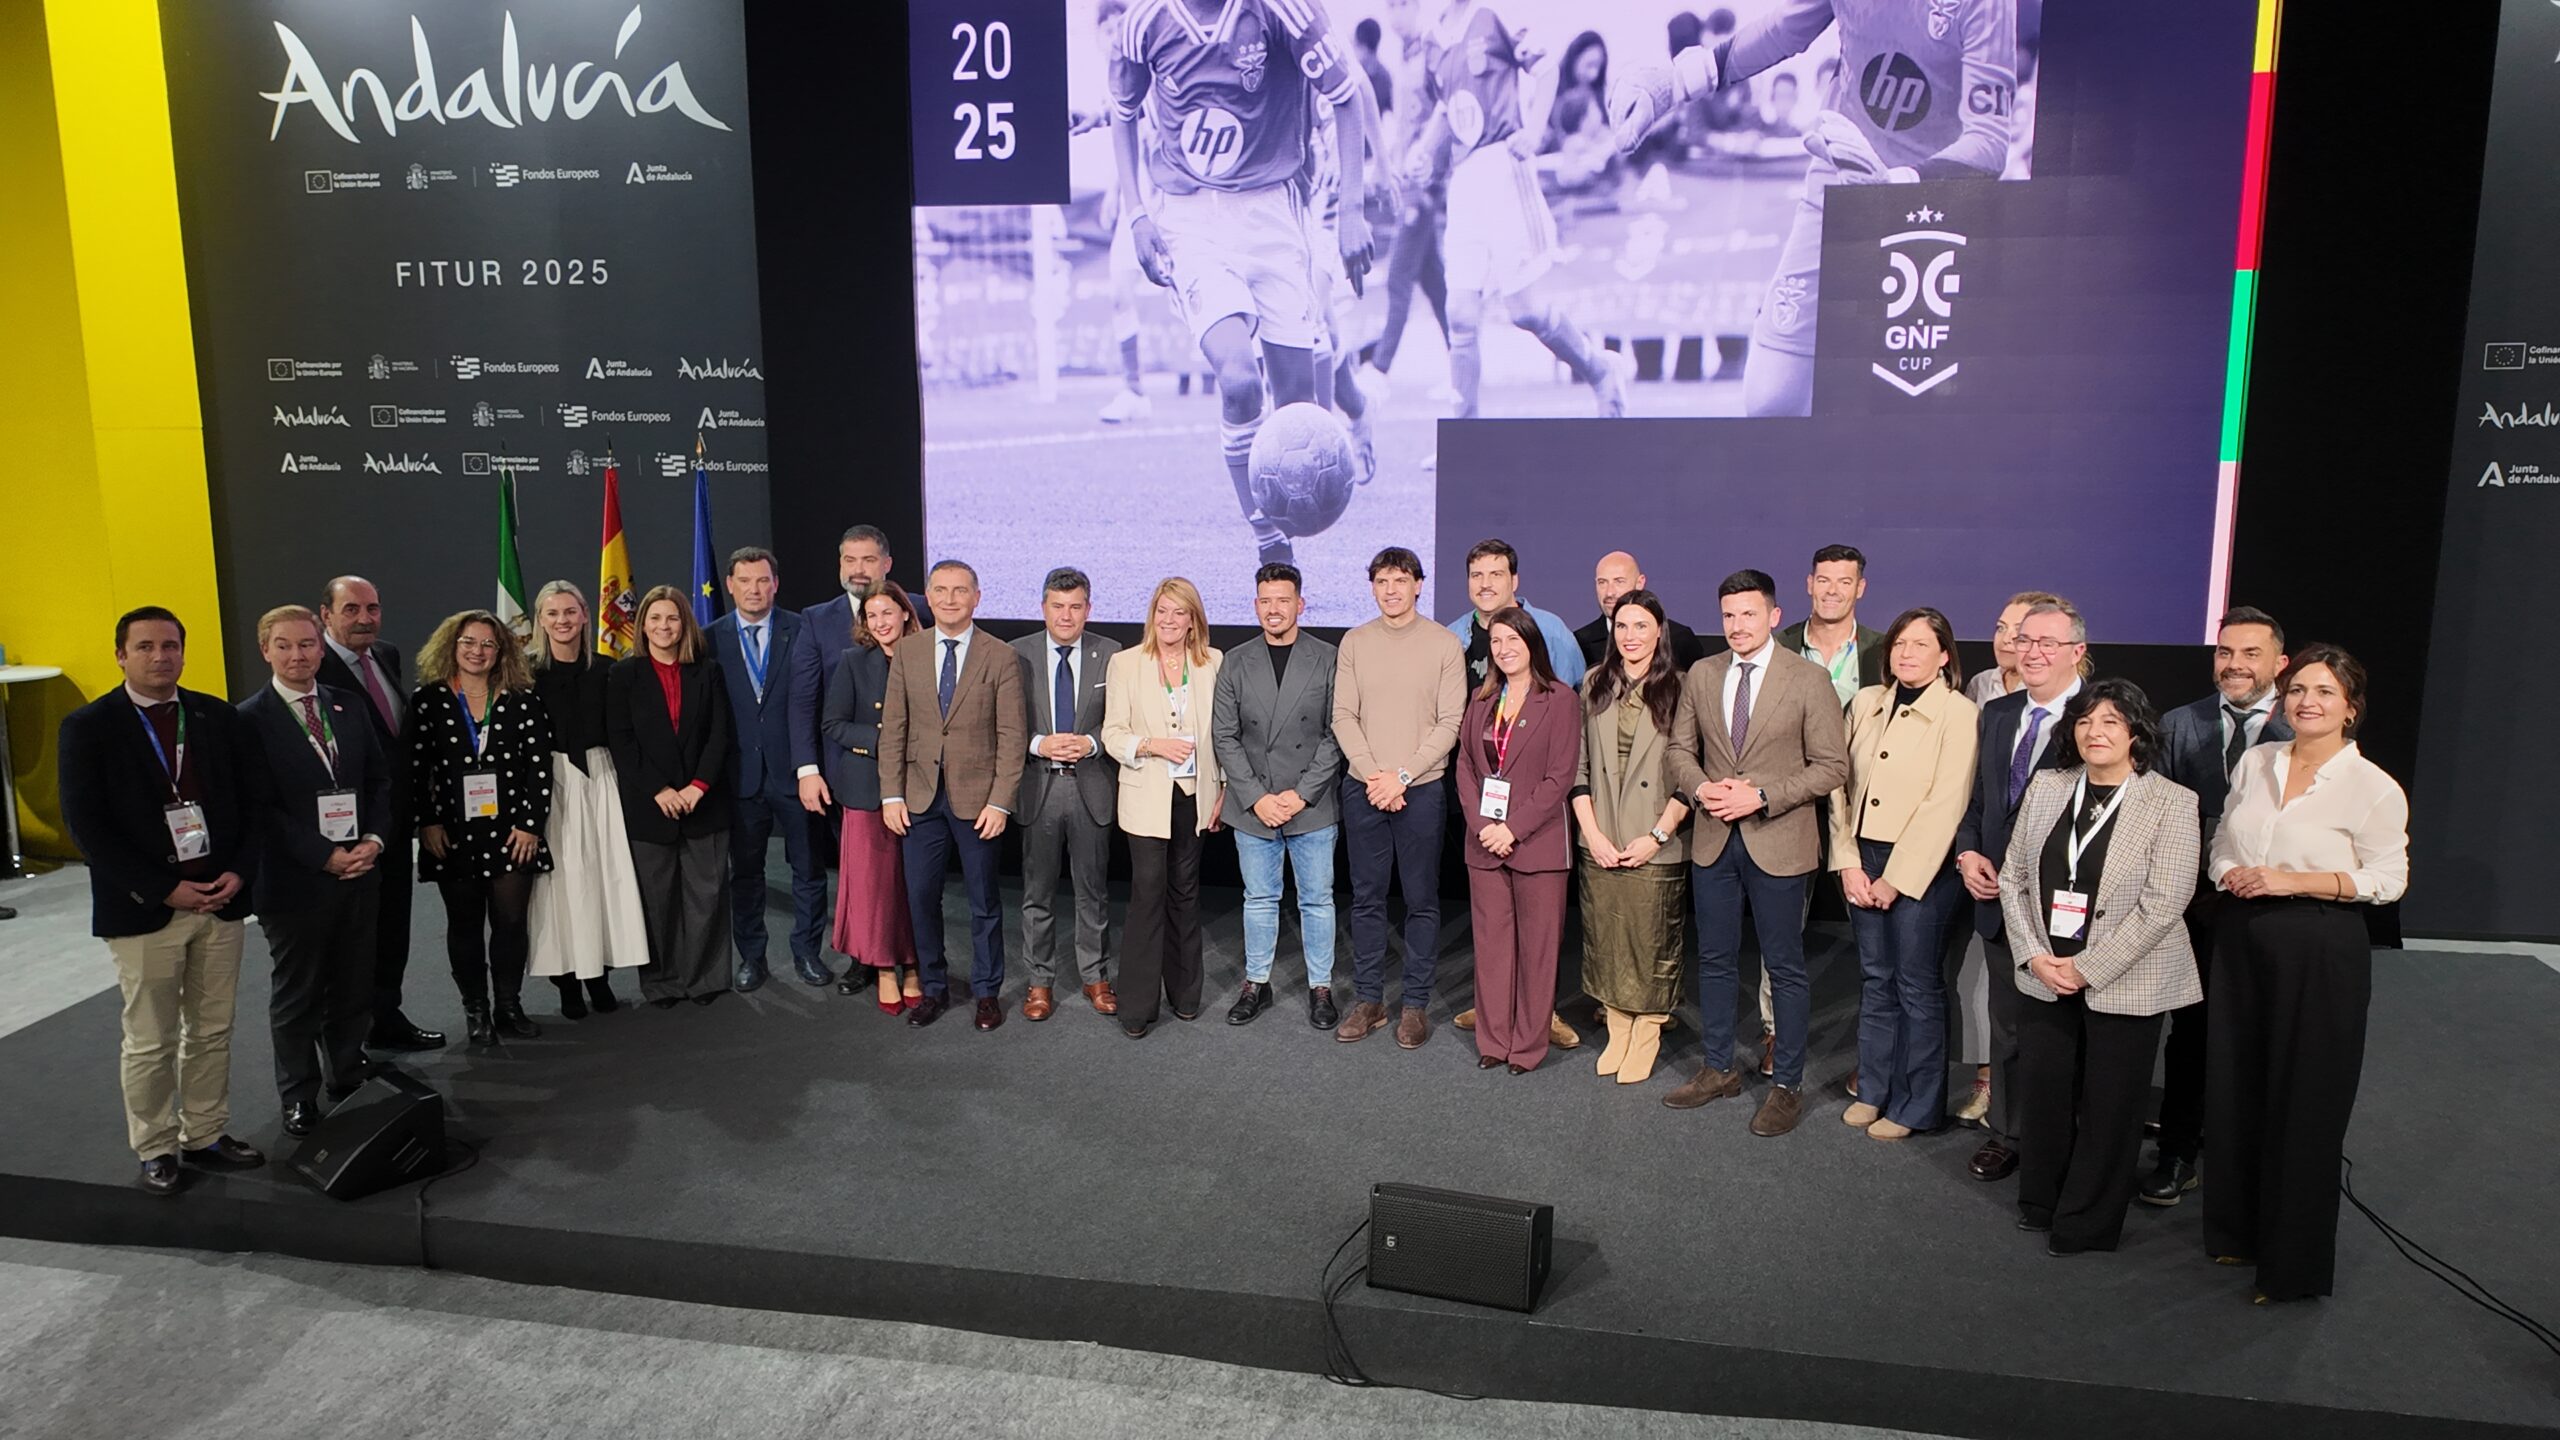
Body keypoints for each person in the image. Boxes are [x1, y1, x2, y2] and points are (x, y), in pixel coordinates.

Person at [1608, 0, 2018, 416]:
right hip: (1839, 176)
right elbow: (1786, 27)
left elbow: (1989, 143)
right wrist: (1675, 84)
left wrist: (1897, 186)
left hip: (1930, 208)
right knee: (1772, 399)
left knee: (1915, 399)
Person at [1110, 0, 1373, 568]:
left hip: (1274, 214)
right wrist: (1137, 214)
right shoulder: (1145, 22)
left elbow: (1349, 94)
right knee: (1237, 381)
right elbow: (1122, 111)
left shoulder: (1283, 11)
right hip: (1189, 219)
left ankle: (1347, 417)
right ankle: (1270, 548)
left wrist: (1354, 208)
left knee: (1297, 412)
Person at [2206, 645, 2407, 1303]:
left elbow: (2388, 880)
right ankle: (2235, 1233)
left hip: (2320, 944)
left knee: (2306, 1101)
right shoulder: (2258, 761)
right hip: (2242, 935)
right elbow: (2225, 843)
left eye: (2323, 692)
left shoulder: (2372, 786)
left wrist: (2296, 880)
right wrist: (2227, 873)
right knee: (2237, 1084)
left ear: (2350, 707)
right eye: (2297, 691)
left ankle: (2291, 1267)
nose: (2306, 702)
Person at [58, 606, 265, 1194]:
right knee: (151, 1038)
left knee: (212, 1030)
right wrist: (164, 886)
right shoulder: (88, 727)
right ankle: (155, 1145)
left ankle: (205, 1133)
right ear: (121, 654)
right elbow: (87, 827)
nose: (160, 656)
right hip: (145, 909)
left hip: (220, 900)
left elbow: (253, 806)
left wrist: (238, 873)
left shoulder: (217, 718)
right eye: (145, 646)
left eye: (170, 645)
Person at [2001, 680, 2201, 1254]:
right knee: (2045, 1092)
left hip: (2125, 974)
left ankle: (2086, 1222)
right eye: (2086, 721)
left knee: (2113, 1104)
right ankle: (2042, 1200)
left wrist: (2089, 967)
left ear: (2136, 734)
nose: (2096, 732)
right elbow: (2013, 876)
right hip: (2043, 966)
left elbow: (2165, 901)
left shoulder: (2171, 802)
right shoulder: (2047, 787)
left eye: (2111, 722)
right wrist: (2033, 954)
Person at [1660, 570, 1849, 1136]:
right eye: (1728, 616)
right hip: (1715, 839)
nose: (1737, 626)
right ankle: (1718, 1068)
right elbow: (1678, 750)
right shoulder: (1702, 673)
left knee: (1784, 966)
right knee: (1715, 959)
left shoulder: (1808, 678)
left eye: (1748, 614)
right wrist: (1700, 789)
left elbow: (1833, 767)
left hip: (1781, 841)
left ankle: (1787, 1084)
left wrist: (1762, 796)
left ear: (1773, 615)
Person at [1408, 0, 1632, 431]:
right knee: (1459, 312)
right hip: (1464, 178)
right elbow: (1445, 106)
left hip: (1505, 168)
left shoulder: (1495, 15)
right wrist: (1425, 150)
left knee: (1524, 311)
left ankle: (1600, 371)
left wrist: (1532, 131)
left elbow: (1546, 69)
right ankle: (1465, 434)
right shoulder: (1432, 36)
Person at [2142, 606, 2290, 1207]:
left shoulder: (2305, 726)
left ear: (2280, 663)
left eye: (2251, 654)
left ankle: (2253, 1153)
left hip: (2275, 909)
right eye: (2226, 652)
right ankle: (2178, 1150)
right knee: (2192, 1031)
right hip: (2196, 907)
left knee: (2265, 1031)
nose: (2235, 665)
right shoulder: (2180, 724)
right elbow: (2162, 816)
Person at [238, 605, 392, 1137]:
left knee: (353, 984)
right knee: (298, 994)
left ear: (321, 648)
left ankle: (347, 1072)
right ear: (266, 651)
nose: (298, 655)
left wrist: (373, 840)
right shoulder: (248, 720)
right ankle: (298, 1094)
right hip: (294, 882)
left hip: (359, 871)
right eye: (284, 645)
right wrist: (323, 855)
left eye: (306, 644)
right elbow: (258, 808)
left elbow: (379, 782)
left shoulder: (347, 705)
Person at [1951, 597, 2087, 1180]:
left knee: (2067, 1030)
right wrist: (1968, 851)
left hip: (2069, 909)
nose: (2032, 652)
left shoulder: (2099, 716)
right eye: (2024, 640)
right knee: (2008, 1024)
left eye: (2047, 644)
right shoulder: (2001, 712)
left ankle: (2071, 1137)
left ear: (2078, 653)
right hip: (1998, 901)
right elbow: (1979, 802)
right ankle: (2009, 1132)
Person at [1831, 608, 1978, 1140]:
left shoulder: (1960, 714)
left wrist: (1896, 877)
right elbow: (1838, 788)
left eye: (1921, 644)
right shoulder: (1867, 703)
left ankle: (1918, 1106)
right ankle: (1874, 1089)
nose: (1907, 653)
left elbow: (1947, 803)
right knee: (1876, 980)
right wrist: (1847, 861)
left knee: (1917, 984)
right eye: (1899, 644)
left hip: (1923, 866)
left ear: (1944, 656)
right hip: (1862, 856)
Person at [879, 561, 1026, 1031]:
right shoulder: (908, 651)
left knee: (984, 901)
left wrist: (1001, 801)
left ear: (976, 597)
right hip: (919, 800)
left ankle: (986, 992)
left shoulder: (999, 655)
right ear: (927, 595)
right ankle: (935, 989)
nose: (949, 599)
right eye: (940, 590)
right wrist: (891, 795)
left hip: (978, 801)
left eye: (959, 591)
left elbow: (1011, 735)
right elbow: (895, 730)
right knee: (922, 897)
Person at [1331, 546, 1467, 1047]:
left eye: (1400, 580)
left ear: (1418, 585)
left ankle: (1414, 1005)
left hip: (1422, 791)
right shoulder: (1355, 642)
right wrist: (1374, 776)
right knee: (1366, 899)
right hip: (1364, 789)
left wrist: (1403, 776)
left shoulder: (1444, 644)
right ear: (1373, 587)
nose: (1391, 590)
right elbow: (1343, 715)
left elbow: (1450, 723)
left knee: (1421, 900)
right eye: (1382, 581)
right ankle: (1369, 1001)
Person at [410, 609, 553, 1045]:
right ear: (451, 646)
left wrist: (531, 826)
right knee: (465, 925)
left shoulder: (521, 699)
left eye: (488, 644)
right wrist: (427, 823)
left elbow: (539, 769)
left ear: (501, 650)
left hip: (512, 832)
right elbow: (416, 770)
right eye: (468, 642)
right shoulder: (429, 701)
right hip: (452, 834)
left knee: (510, 924)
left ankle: (509, 1005)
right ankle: (476, 1010)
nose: (478, 651)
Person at [1212, 563, 1345, 1029]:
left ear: (1300, 605)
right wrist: (1257, 797)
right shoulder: (1235, 660)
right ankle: (1256, 982)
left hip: (1311, 804)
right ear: (1255, 606)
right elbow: (1224, 736)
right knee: (1260, 898)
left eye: (1283, 600)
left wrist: (1301, 794)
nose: (1274, 609)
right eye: (1266, 601)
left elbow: (1336, 734)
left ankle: (1320, 987)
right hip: (1255, 807)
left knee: (1316, 900)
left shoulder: (1328, 657)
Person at [315, 575, 440, 1053]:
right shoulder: (314, 665)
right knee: (351, 943)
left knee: (392, 930)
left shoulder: (384, 655)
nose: (365, 619)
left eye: (372, 608)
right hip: (346, 835)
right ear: (326, 615)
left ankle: (385, 1016)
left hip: (392, 826)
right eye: (351, 610)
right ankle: (347, 1045)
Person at [1571, 590, 1691, 1086]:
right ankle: (1619, 1029)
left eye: (1641, 626)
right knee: (1606, 939)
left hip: (1655, 838)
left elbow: (1690, 775)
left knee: (1651, 941)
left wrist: (1657, 835)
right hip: (1601, 837)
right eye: (1622, 626)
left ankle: (1647, 1033)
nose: (1630, 636)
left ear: (1659, 631)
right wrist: (1590, 831)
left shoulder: (1681, 687)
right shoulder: (1595, 682)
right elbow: (1577, 765)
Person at [1456, 608, 1584, 1074]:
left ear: (1532, 644)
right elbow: (1466, 768)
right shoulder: (1480, 699)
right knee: (1491, 948)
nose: (1505, 649)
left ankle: (1527, 1048)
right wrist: (1482, 825)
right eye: (1496, 642)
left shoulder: (1562, 700)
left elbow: (1559, 778)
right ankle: (1493, 1041)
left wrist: (1512, 829)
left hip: (1538, 843)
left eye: (1514, 639)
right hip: (1483, 843)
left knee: (1538, 949)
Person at [1102, 579, 1225, 1037]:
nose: (1170, 621)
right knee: (1147, 893)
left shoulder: (1213, 663)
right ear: (1152, 615)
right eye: (1162, 611)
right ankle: (1136, 1005)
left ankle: (1186, 994)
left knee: (1186, 892)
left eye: (1179, 613)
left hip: (1195, 797)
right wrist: (1152, 745)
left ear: (1194, 620)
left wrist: (1223, 789)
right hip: (1145, 796)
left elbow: (1222, 735)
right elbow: (1112, 733)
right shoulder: (1126, 664)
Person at [708, 547, 831, 992]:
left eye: (763, 581)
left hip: (798, 773)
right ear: (730, 585)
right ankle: (752, 957)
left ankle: (807, 952)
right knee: (746, 873)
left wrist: (810, 766)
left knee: (808, 869)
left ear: (775, 584)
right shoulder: (710, 638)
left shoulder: (803, 630)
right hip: (740, 777)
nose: (755, 590)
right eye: (745, 581)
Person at [606, 588, 736, 1009]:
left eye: (673, 618)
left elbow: (719, 733)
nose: (665, 627)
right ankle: (662, 980)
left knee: (707, 895)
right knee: (657, 900)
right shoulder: (624, 675)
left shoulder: (707, 671)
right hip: (650, 804)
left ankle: (704, 978)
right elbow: (621, 742)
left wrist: (698, 786)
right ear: (642, 625)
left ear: (686, 625)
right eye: (656, 618)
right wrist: (660, 789)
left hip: (704, 800)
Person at [524, 581, 647, 1019]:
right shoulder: (526, 674)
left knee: (603, 877)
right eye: (553, 613)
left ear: (584, 615)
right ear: (540, 619)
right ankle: (567, 983)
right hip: (552, 782)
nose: (562, 621)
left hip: (601, 778)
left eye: (570, 612)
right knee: (562, 883)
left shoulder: (607, 668)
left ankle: (599, 975)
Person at [1011, 567, 1122, 1021]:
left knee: (1092, 892)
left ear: (1088, 610)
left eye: (1075, 606)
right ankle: (1040, 984)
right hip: (1038, 785)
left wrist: (1092, 743)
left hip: (1089, 787)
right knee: (1037, 893)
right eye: (1057, 606)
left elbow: (1121, 717)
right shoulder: (1016, 655)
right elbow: (1004, 721)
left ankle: (1096, 978)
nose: (1066, 615)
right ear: (1043, 609)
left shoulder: (1110, 654)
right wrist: (1038, 743)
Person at [821, 584, 922, 1011]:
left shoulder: (928, 657)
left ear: (904, 614)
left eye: (887, 613)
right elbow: (834, 724)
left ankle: (914, 965)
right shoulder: (852, 662)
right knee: (874, 887)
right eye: (872, 616)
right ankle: (882, 967)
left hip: (919, 788)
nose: (880, 622)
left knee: (912, 884)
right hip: (866, 790)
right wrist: (885, 740)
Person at [787, 525, 904, 821]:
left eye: (868, 560)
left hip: (913, 773)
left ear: (887, 564)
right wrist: (807, 769)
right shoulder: (817, 620)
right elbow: (803, 701)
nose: (858, 570)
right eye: (850, 560)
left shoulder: (915, 609)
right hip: (845, 773)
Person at [1447, 539, 1587, 691]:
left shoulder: (1550, 630)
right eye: (1476, 575)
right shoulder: (1452, 636)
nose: (1485, 584)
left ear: (1514, 581)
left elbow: (1577, 695)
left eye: (1496, 574)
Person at [1776, 544, 1882, 709]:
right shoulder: (1778, 647)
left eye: (1844, 582)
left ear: (1860, 588)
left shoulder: (1882, 650)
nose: (1832, 590)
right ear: (1810, 584)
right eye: (1823, 581)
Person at [1573, 551, 1714, 673]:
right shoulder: (1581, 642)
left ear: (1640, 583)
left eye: (1619, 581)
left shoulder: (1678, 638)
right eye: (1602, 582)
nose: (1609, 592)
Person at [1965, 592, 2055, 707]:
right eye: (2001, 628)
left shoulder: (2054, 689)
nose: (2006, 639)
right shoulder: (1981, 682)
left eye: (2019, 630)